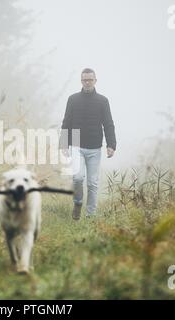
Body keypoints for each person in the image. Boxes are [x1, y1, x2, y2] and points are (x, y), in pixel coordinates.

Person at [59, 68, 116, 220]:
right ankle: (77, 203)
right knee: (77, 178)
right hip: (76, 145)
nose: (87, 82)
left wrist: (111, 145)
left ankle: (90, 215)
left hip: (95, 147)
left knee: (92, 183)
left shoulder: (103, 101)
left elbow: (108, 124)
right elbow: (66, 122)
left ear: (95, 81)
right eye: (85, 79)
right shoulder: (73, 99)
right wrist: (64, 144)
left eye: (90, 79)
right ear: (81, 81)